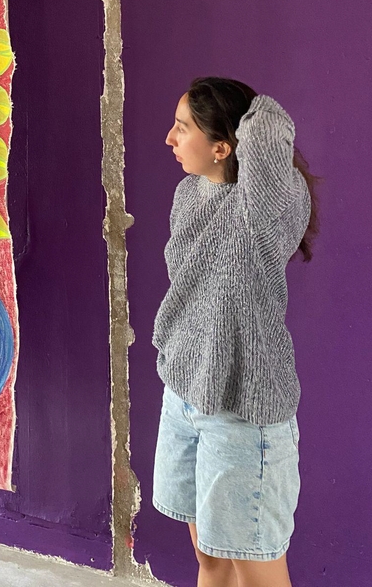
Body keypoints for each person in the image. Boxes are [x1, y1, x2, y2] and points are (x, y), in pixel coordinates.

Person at [152, 77, 318, 587]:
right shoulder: (189, 193)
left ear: (223, 147)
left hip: (243, 416)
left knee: (257, 572)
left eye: (183, 128)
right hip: (185, 396)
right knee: (211, 560)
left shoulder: (265, 210)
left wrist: (248, 110)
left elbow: (268, 128)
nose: (169, 139)